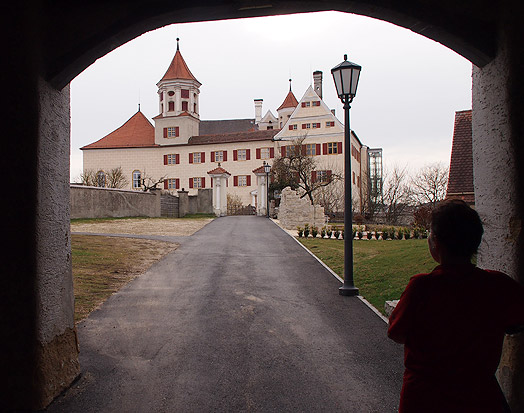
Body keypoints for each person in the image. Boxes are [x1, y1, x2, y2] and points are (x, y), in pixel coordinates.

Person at [388, 200, 524, 412]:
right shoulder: (498, 285)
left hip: (425, 398)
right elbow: (516, 321)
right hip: (479, 397)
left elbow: (396, 332)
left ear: (437, 243)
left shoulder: (422, 287)